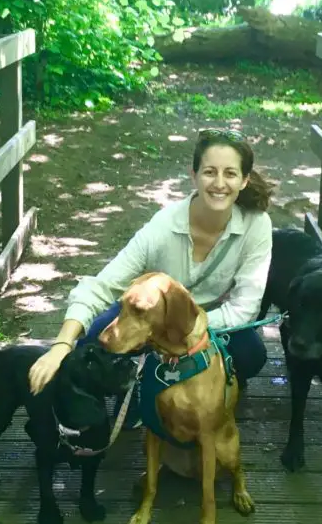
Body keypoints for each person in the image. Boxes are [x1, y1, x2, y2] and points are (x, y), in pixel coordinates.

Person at [28, 127, 275, 397]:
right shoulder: (163, 226)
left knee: (251, 354)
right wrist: (62, 345)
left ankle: (207, 387)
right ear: (193, 176)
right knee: (92, 341)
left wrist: (177, 332)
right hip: (149, 316)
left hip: (208, 322)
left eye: (230, 173)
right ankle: (139, 387)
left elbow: (245, 308)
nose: (218, 183)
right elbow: (102, 285)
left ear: (244, 180)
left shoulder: (256, 225)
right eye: (209, 172)